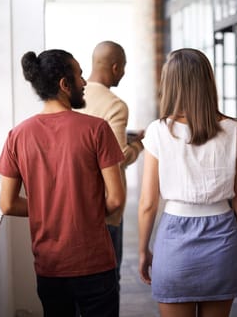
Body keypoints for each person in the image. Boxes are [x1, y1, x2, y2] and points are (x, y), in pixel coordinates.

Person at [0, 49, 125, 317]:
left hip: (49, 266)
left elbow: (7, 204)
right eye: (79, 75)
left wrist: (50, 209)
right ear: (64, 85)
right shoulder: (97, 129)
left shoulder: (17, 135)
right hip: (94, 263)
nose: (85, 82)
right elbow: (115, 199)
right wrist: (80, 211)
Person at [137, 48, 237, 317]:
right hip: (223, 236)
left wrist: (143, 250)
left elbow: (147, 203)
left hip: (174, 241)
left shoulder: (158, 131)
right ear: (207, 82)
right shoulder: (235, 130)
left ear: (170, 84)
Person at [77, 40, 144, 289]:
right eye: (123, 68)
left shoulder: (73, 97)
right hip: (106, 206)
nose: (124, 73)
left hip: (76, 202)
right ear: (116, 67)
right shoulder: (114, 105)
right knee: (106, 283)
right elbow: (118, 156)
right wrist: (139, 145)